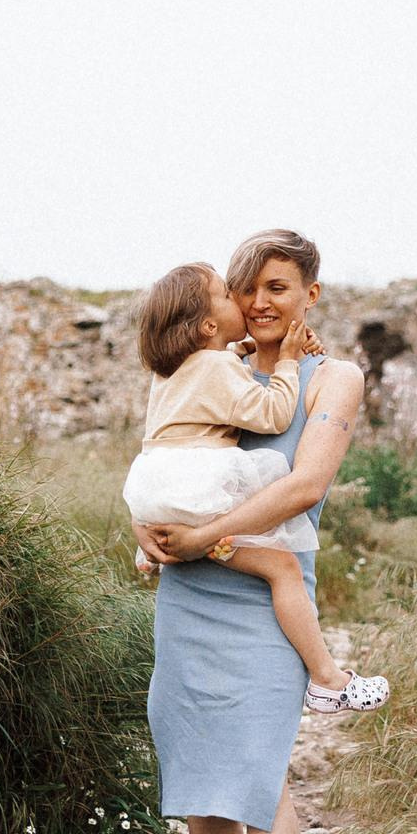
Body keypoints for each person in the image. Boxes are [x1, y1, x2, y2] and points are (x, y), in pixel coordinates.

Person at [135, 229, 367, 834]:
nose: (261, 302)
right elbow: (165, 456)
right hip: (190, 592)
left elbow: (305, 484)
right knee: (201, 761)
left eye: (278, 287)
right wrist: (147, 532)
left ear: (310, 295)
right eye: (249, 289)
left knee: (263, 774)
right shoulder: (215, 370)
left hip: (264, 595)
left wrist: (205, 536)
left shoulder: (333, 377)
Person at [121, 260, 388, 711]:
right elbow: (273, 414)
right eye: (230, 294)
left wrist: (247, 348)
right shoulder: (219, 369)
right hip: (198, 495)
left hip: (157, 487)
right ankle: (327, 678)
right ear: (209, 323)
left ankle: (154, 547)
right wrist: (286, 362)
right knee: (282, 569)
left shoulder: (171, 369)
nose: (246, 302)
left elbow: (214, 371)